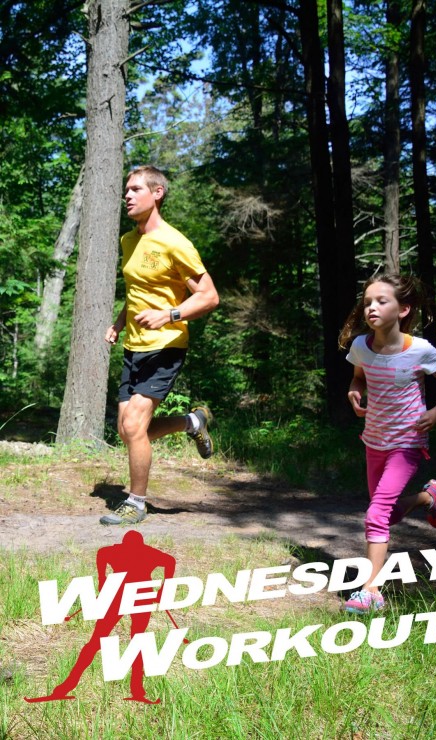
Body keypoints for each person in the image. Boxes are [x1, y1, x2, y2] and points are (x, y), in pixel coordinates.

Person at [102, 165, 219, 526]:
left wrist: (170, 315)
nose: (128, 196)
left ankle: (136, 503)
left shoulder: (174, 242)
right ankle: (192, 422)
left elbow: (209, 296)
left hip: (166, 344)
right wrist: (120, 323)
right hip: (134, 346)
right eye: (126, 190)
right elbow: (137, 293)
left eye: (136, 189)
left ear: (157, 194)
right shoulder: (128, 241)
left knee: (134, 427)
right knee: (129, 430)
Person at [338, 274, 436, 614]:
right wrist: (354, 392)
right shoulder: (361, 346)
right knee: (385, 514)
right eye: (367, 302)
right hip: (373, 440)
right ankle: (426, 496)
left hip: (407, 441)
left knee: (375, 513)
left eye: (381, 301)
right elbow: (358, 377)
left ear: (403, 309)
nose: (371, 307)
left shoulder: (420, 350)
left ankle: (371, 590)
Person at [25, 531, 178, 704]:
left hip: (127, 596)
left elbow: (102, 553)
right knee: (126, 640)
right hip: (131, 596)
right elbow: (170, 561)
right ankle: (135, 689)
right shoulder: (148, 552)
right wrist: (165, 589)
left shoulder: (117, 551)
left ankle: (71, 686)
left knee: (108, 640)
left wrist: (102, 579)